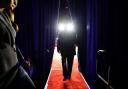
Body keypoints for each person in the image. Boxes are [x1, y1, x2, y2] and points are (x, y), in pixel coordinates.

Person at [0, 0, 36, 89]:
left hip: (16, 69)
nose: (15, 3)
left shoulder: (5, 15)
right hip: (3, 76)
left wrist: (23, 59)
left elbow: (13, 44)